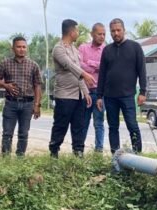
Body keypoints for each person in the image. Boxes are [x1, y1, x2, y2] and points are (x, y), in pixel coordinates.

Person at [96, 18, 147, 154]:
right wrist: (99, 96)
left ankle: (137, 155)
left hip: (127, 95)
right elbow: (102, 74)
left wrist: (143, 92)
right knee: (113, 127)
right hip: (110, 96)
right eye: (113, 31)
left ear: (124, 30)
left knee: (132, 125)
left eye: (118, 30)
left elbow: (142, 70)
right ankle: (115, 156)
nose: (116, 33)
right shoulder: (107, 50)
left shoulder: (135, 47)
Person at [49, 19, 95, 158]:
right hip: (64, 95)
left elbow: (78, 72)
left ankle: (78, 153)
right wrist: (85, 74)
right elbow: (69, 65)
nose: (78, 33)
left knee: (79, 126)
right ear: (71, 32)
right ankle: (54, 152)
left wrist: (85, 92)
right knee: (61, 125)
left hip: (78, 95)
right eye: (77, 30)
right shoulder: (58, 49)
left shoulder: (75, 50)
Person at [0, 36, 42, 157]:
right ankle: (5, 158)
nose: (21, 49)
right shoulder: (5, 63)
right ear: (13, 48)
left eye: (24, 47)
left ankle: (20, 158)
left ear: (27, 48)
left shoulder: (33, 65)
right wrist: (6, 86)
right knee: (7, 133)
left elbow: (37, 86)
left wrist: (37, 105)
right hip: (11, 103)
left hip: (27, 104)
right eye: (18, 47)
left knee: (23, 133)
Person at [79, 23, 107, 153]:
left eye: (103, 34)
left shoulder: (106, 50)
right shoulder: (83, 48)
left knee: (99, 123)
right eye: (99, 34)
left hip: (100, 93)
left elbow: (106, 67)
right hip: (85, 92)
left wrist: (89, 63)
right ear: (92, 34)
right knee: (83, 123)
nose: (102, 36)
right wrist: (96, 66)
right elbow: (78, 65)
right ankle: (79, 150)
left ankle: (99, 151)